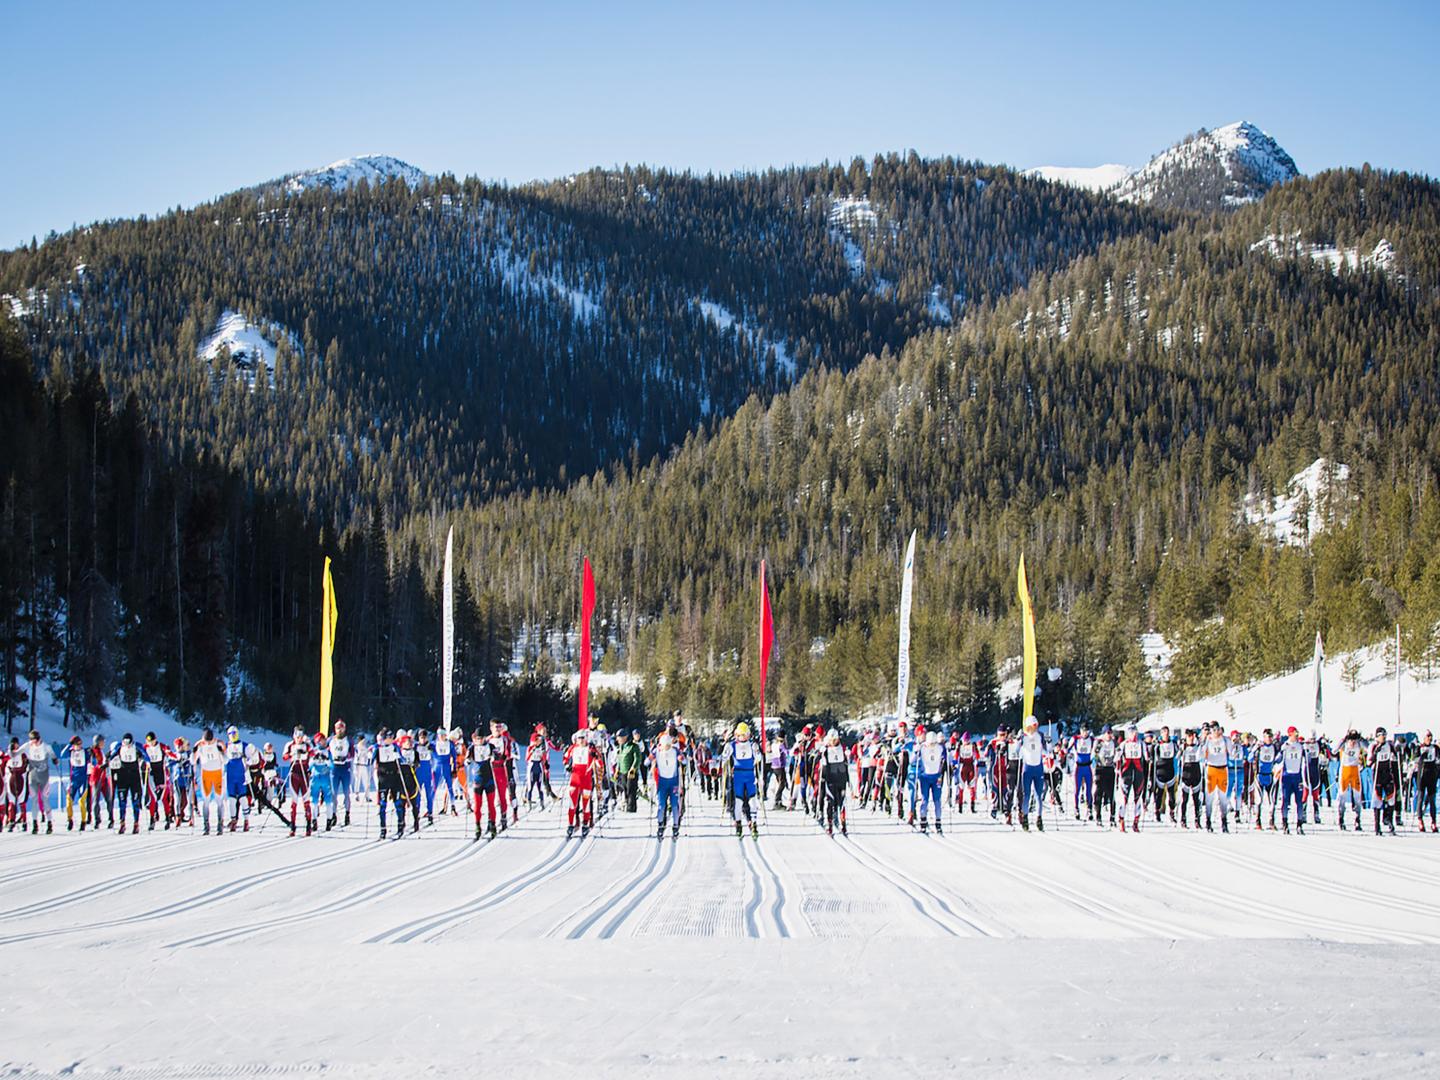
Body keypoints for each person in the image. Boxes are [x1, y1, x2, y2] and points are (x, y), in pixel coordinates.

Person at [725, 721, 760, 838]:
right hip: (738, 775)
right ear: (736, 735)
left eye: (745, 734)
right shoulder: (732, 745)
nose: (743, 737)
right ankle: (738, 824)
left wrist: (757, 752)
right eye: (740, 735)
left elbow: (759, 757)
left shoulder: (752, 745)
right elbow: (724, 757)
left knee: (752, 800)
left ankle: (754, 823)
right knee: (739, 801)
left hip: (750, 774)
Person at [19, 730, 57, 834]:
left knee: (45, 799)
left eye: (35, 740)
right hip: (32, 777)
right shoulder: (27, 746)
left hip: (44, 777)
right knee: (34, 800)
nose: (34, 743)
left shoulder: (46, 746)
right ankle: (35, 824)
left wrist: (54, 759)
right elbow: (16, 753)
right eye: (32, 740)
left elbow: (53, 754)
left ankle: (49, 823)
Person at [563, 729, 600, 838]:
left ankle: (585, 824)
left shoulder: (590, 748)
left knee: (586, 803)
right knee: (572, 803)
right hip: (575, 779)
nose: (581, 740)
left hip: (586, 779)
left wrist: (596, 756)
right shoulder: (572, 748)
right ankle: (570, 824)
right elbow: (565, 758)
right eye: (579, 738)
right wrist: (567, 765)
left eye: (583, 738)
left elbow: (599, 762)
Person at [224, 726, 260, 832]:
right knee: (231, 800)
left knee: (243, 798)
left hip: (241, 775)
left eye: (235, 733)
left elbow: (254, 757)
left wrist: (248, 762)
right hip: (230, 776)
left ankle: (246, 820)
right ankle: (233, 820)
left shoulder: (244, 745)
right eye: (231, 734)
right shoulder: (226, 746)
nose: (233, 735)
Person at [192, 728, 227, 834]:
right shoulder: (201, 745)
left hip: (217, 774)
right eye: (207, 741)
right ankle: (206, 825)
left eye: (210, 741)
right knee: (206, 801)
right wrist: (194, 751)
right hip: (206, 775)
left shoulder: (218, 744)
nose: (208, 743)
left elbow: (226, 760)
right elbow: (193, 761)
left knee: (219, 800)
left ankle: (220, 825)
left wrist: (222, 753)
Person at [467, 729, 500, 840]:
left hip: (489, 779)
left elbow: (498, 756)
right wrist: (467, 760)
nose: (480, 740)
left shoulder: (490, 746)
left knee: (491, 805)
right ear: (474, 739)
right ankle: (477, 826)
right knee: (477, 806)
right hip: (477, 780)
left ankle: (493, 825)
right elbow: (466, 761)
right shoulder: (471, 748)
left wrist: (495, 756)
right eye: (477, 739)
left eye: (481, 738)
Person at [283, 728, 315, 837]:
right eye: (297, 737)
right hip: (294, 774)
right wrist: (293, 753)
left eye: (301, 737)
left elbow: (313, 753)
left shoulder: (306, 744)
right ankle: (293, 826)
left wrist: (305, 752)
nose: (299, 739)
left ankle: (308, 825)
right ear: (294, 736)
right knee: (294, 802)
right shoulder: (290, 745)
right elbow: (284, 757)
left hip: (304, 775)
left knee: (306, 800)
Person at [374, 729, 406, 840]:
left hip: (395, 779)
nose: (390, 739)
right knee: (382, 805)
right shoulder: (377, 748)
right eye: (388, 737)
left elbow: (402, 759)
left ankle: (400, 825)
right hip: (383, 779)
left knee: (397, 803)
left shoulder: (395, 747)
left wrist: (399, 756)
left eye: (391, 737)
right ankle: (383, 829)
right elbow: (371, 760)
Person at [1201, 723, 1233, 832]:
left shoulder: (1225, 740)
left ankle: (1224, 821)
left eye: (1217, 729)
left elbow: (1232, 753)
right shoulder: (1208, 740)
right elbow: (1201, 755)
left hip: (1223, 769)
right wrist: (1204, 741)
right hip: (1211, 769)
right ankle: (1208, 821)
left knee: (1223, 798)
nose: (1215, 732)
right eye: (1213, 730)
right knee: (1209, 797)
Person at [652, 731, 683, 839]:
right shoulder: (657, 751)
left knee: (675, 805)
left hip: (673, 782)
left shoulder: (675, 751)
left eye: (668, 745)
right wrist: (650, 761)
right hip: (662, 782)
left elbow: (683, 760)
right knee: (661, 805)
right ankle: (660, 825)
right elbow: (647, 760)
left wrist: (682, 759)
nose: (667, 747)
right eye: (665, 746)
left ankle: (675, 826)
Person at [110, 733, 143, 834]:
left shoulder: (137, 746)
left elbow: (145, 754)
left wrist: (147, 761)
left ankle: (136, 823)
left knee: (135, 801)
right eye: (125, 742)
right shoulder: (119, 746)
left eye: (129, 743)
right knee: (122, 802)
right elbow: (111, 755)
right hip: (123, 777)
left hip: (134, 778)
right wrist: (107, 761)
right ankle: (122, 823)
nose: (127, 745)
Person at [915, 729, 947, 834]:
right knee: (925, 799)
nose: (932, 745)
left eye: (933, 743)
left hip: (937, 776)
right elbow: (914, 758)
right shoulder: (923, 747)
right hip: (925, 777)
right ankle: (923, 821)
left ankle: (938, 822)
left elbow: (946, 755)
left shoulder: (940, 748)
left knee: (937, 800)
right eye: (930, 743)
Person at [1371, 726, 1401, 836]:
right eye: (1381, 735)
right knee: (1378, 800)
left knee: (1391, 799)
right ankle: (1377, 826)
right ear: (1377, 737)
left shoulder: (1389, 745)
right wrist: (1375, 753)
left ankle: (1390, 821)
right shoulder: (1373, 746)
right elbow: (1369, 762)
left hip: (1387, 775)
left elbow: (1395, 757)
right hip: (1378, 775)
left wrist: (1397, 751)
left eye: (1384, 735)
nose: (1383, 737)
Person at [819, 730, 850, 836]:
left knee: (842, 803)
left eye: (835, 739)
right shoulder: (826, 750)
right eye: (831, 739)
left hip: (841, 779)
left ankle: (843, 824)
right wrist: (823, 777)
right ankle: (830, 824)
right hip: (830, 780)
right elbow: (823, 765)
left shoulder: (843, 748)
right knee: (830, 802)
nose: (833, 741)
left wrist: (848, 780)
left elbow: (846, 765)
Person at [1278, 727, 1308, 834]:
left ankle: (1299, 824)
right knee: (1286, 801)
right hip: (1287, 776)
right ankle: (1285, 823)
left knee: (1299, 801)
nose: (1296, 735)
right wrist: (1281, 751)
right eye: (1294, 734)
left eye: (1297, 734)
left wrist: (1306, 751)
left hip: (1297, 776)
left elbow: (1307, 758)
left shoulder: (1300, 746)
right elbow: (1278, 759)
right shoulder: (1285, 745)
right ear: (1290, 734)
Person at [1335, 730, 1365, 831]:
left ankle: (1357, 820)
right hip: (1345, 771)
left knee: (1357, 797)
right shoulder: (1344, 745)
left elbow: (1369, 748)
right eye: (1351, 740)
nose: (1352, 742)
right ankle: (1341, 819)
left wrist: (1362, 739)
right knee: (1342, 796)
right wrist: (1343, 739)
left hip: (1355, 771)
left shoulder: (1359, 744)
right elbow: (1334, 750)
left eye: (1354, 740)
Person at [328, 720, 355, 827]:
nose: (340, 730)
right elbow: (325, 753)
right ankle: (333, 814)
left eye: (341, 728)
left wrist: (346, 757)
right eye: (338, 728)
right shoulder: (331, 740)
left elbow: (352, 754)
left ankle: (347, 814)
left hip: (345, 769)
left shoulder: (349, 740)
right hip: (334, 769)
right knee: (334, 793)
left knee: (346, 793)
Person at [1253, 729, 1280, 830]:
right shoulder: (1260, 747)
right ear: (1263, 737)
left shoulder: (1274, 747)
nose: (1269, 739)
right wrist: (1255, 748)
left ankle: (1271, 821)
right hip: (1260, 776)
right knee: (1258, 800)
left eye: (1270, 737)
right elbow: (1250, 758)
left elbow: (1279, 759)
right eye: (1267, 737)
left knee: (1272, 800)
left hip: (1270, 775)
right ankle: (1257, 821)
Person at [1152, 725, 1179, 823]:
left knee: (1172, 794)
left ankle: (1172, 813)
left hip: (1170, 769)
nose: (1166, 734)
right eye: (1164, 733)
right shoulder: (1158, 744)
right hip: (1160, 770)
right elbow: (1152, 755)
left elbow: (1178, 753)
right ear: (1161, 734)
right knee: (1159, 793)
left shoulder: (1173, 743)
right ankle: (1157, 811)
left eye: (1167, 732)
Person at [87, 734, 114, 829]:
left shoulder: (100, 751)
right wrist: (101, 766)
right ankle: (97, 819)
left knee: (109, 799)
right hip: (96, 779)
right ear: (97, 742)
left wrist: (106, 761)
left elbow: (102, 762)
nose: (103, 743)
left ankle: (111, 818)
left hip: (103, 778)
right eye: (102, 742)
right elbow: (94, 763)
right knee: (96, 801)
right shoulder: (93, 751)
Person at [1178, 729, 1204, 828]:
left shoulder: (1198, 747)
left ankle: (1197, 820)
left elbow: (1202, 756)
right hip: (1186, 774)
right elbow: (1177, 757)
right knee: (1185, 799)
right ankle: (1183, 819)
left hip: (1196, 772)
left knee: (1196, 799)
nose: (1191, 738)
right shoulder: (1183, 747)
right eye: (1189, 736)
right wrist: (1181, 749)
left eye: (1192, 736)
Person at [310, 732, 335, 831]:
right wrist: (313, 759)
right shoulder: (313, 751)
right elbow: (309, 766)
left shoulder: (328, 752)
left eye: (324, 740)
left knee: (328, 801)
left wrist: (327, 760)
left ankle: (328, 821)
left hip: (325, 778)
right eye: (322, 740)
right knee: (314, 801)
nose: (324, 742)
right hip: (315, 778)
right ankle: (314, 821)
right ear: (317, 742)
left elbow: (332, 766)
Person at [64, 735, 89, 831]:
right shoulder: (70, 752)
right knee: (68, 800)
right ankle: (70, 820)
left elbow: (92, 759)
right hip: (73, 780)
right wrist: (69, 745)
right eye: (76, 745)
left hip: (83, 780)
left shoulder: (85, 752)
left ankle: (83, 821)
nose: (78, 746)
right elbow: (62, 754)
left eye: (79, 744)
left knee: (81, 802)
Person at [1093, 727, 1117, 827]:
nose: (1109, 735)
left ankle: (1112, 817)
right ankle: (1098, 816)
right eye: (1107, 733)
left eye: (1110, 733)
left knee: (1111, 794)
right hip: (1100, 769)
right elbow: (1094, 755)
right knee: (1099, 793)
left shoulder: (1114, 743)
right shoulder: (1099, 742)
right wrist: (1094, 768)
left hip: (1110, 769)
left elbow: (1118, 754)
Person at [1416, 730, 1439, 832]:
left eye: (1430, 736)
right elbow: (1414, 760)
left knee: (1432, 799)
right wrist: (1421, 757)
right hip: (1422, 775)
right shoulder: (1419, 747)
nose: (1429, 738)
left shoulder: (1435, 748)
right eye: (1427, 736)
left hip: (1431, 775)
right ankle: (1420, 820)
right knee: (1420, 798)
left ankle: (1433, 821)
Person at [169, 737, 194, 827]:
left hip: (187, 778)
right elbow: (168, 763)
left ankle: (191, 817)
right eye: (177, 746)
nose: (179, 748)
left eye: (180, 746)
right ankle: (178, 816)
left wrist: (187, 761)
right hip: (177, 779)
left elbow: (193, 760)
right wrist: (176, 760)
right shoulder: (174, 754)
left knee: (189, 799)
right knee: (177, 799)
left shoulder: (188, 753)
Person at [615, 729, 642, 813]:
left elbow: (637, 758)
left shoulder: (633, 746)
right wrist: (617, 770)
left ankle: (631, 808)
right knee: (625, 788)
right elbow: (619, 760)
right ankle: (626, 804)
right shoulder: (621, 747)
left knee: (631, 789)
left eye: (619, 737)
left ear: (625, 737)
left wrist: (633, 768)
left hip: (631, 772)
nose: (618, 739)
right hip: (623, 772)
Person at [1072, 726, 1095, 821]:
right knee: (1077, 789)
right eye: (1083, 731)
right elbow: (1067, 748)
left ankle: (1089, 808)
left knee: (1089, 789)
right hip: (1078, 767)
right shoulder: (1075, 739)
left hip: (1088, 767)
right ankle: (1076, 808)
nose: (1084, 733)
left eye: (1086, 731)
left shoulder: (1092, 740)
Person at [4, 737, 26, 830]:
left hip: (20, 777)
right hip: (11, 778)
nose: (15, 746)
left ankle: (24, 820)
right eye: (13, 744)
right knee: (11, 801)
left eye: (16, 744)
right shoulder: (8, 754)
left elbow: (26, 764)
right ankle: (11, 820)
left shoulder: (22, 754)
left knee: (21, 800)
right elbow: (4, 763)